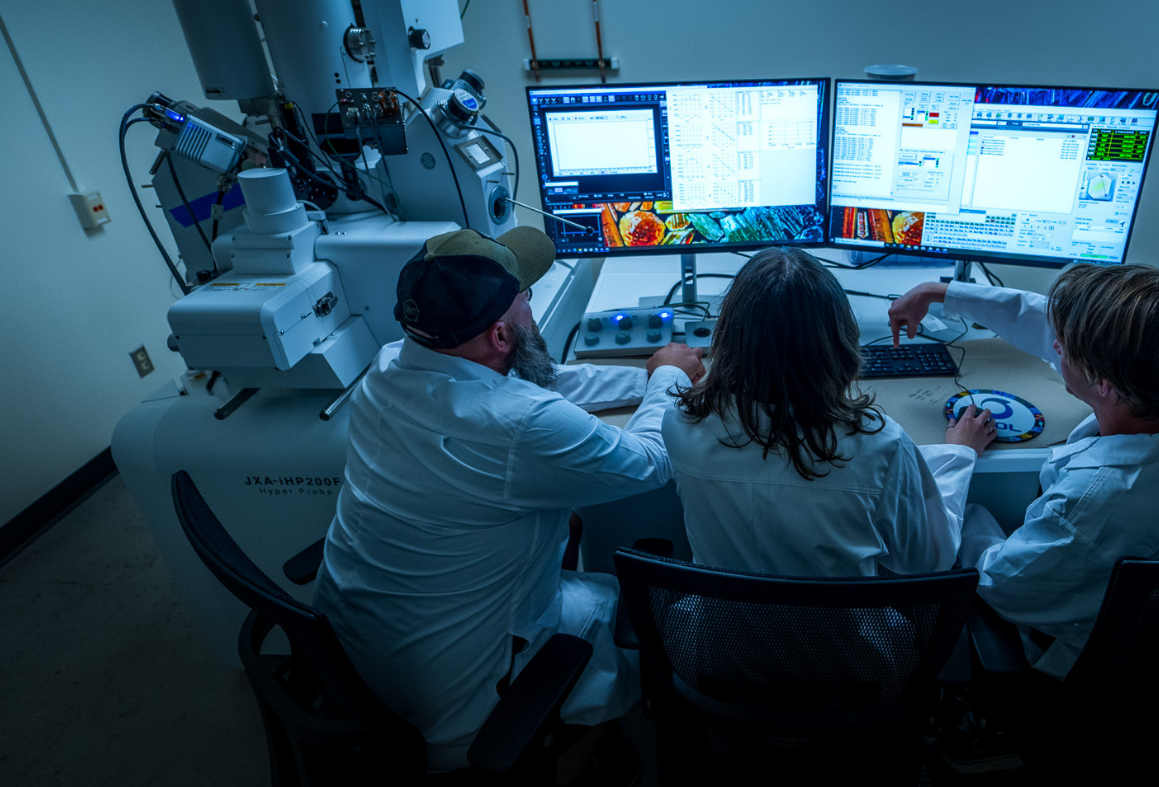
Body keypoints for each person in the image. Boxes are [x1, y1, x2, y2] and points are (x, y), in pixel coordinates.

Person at [312, 227, 706, 779]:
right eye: (527, 298)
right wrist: (669, 377)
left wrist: (649, 378)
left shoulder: (392, 362)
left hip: (356, 647)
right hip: (457, 690)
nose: (532, 304)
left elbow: (541, 383)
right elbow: (647, 460)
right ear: (501, 334)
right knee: (626, 608)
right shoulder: (518, 424)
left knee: (569, 527)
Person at [888, 263, 1159, 681]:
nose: (1054, 345)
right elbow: (1069, 325)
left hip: (1103, 662)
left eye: (1062, 346)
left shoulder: (1092, 505)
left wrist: (963, 487)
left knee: (954, 533)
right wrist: (941, 291)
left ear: (1103, 383)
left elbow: (999, 583)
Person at [663, 246, 996, 578]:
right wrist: (958, 453)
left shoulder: (680, 424)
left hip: (720, 629)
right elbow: (929, 560)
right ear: (839, 340)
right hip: (839, 632)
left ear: (727, 335)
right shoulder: (880, 444)